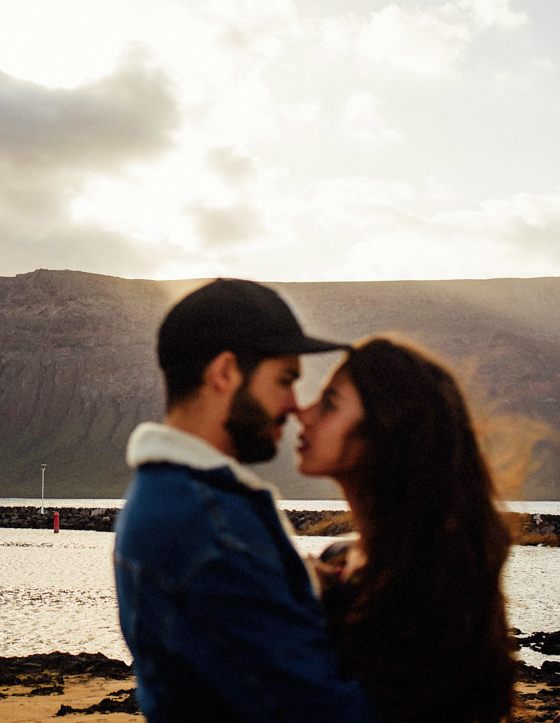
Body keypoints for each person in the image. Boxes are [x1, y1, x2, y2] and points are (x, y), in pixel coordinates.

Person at [114, 278, 376, 723]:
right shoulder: (211, 529)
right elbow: (317, 712)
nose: (295, 405)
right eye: (285, 380)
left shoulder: (172, 498)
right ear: (225, 373)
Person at [296, 337, 515, 723]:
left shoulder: (428, 585)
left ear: (386, 430)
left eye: (329, 404)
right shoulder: (342, 561)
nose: (303, 411)